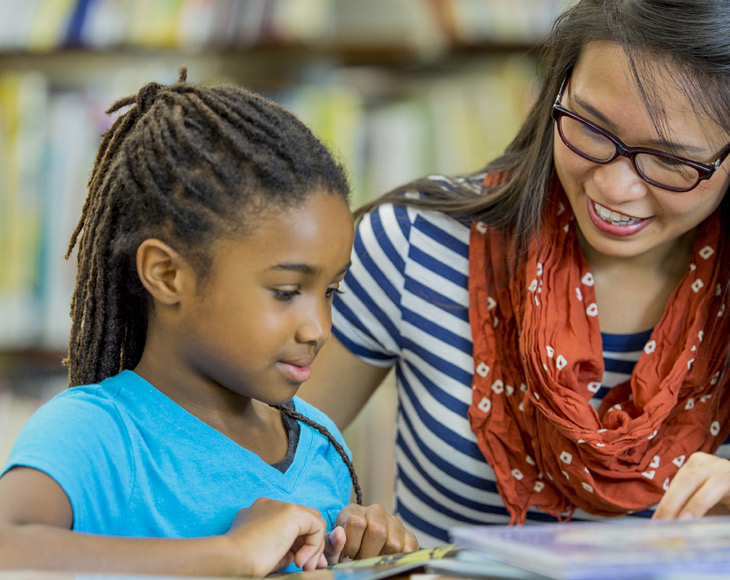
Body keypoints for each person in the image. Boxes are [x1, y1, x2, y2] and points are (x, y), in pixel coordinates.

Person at [301, 0, 730, 547]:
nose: (613, 187)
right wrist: (338, 538)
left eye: (671, 160)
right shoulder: (415, 245)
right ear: (559, 87)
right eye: (590, 126)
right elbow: (265, 480)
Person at [0, 68, 418, 576]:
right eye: (286, 292)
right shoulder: (97, 433)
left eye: (331, 291)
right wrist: (231, 555)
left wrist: (366, 559)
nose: (318, 328)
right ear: (167, 275)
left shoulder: (321, 445)